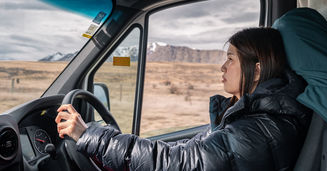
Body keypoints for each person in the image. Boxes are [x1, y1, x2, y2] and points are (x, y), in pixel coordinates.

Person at [55, 28, 311, 171]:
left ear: (256, 70)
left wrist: (92, 136)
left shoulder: (257, 130)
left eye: (231, 59)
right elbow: (197, 148)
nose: (222, 67)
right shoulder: (254, 117)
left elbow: (178, 163)